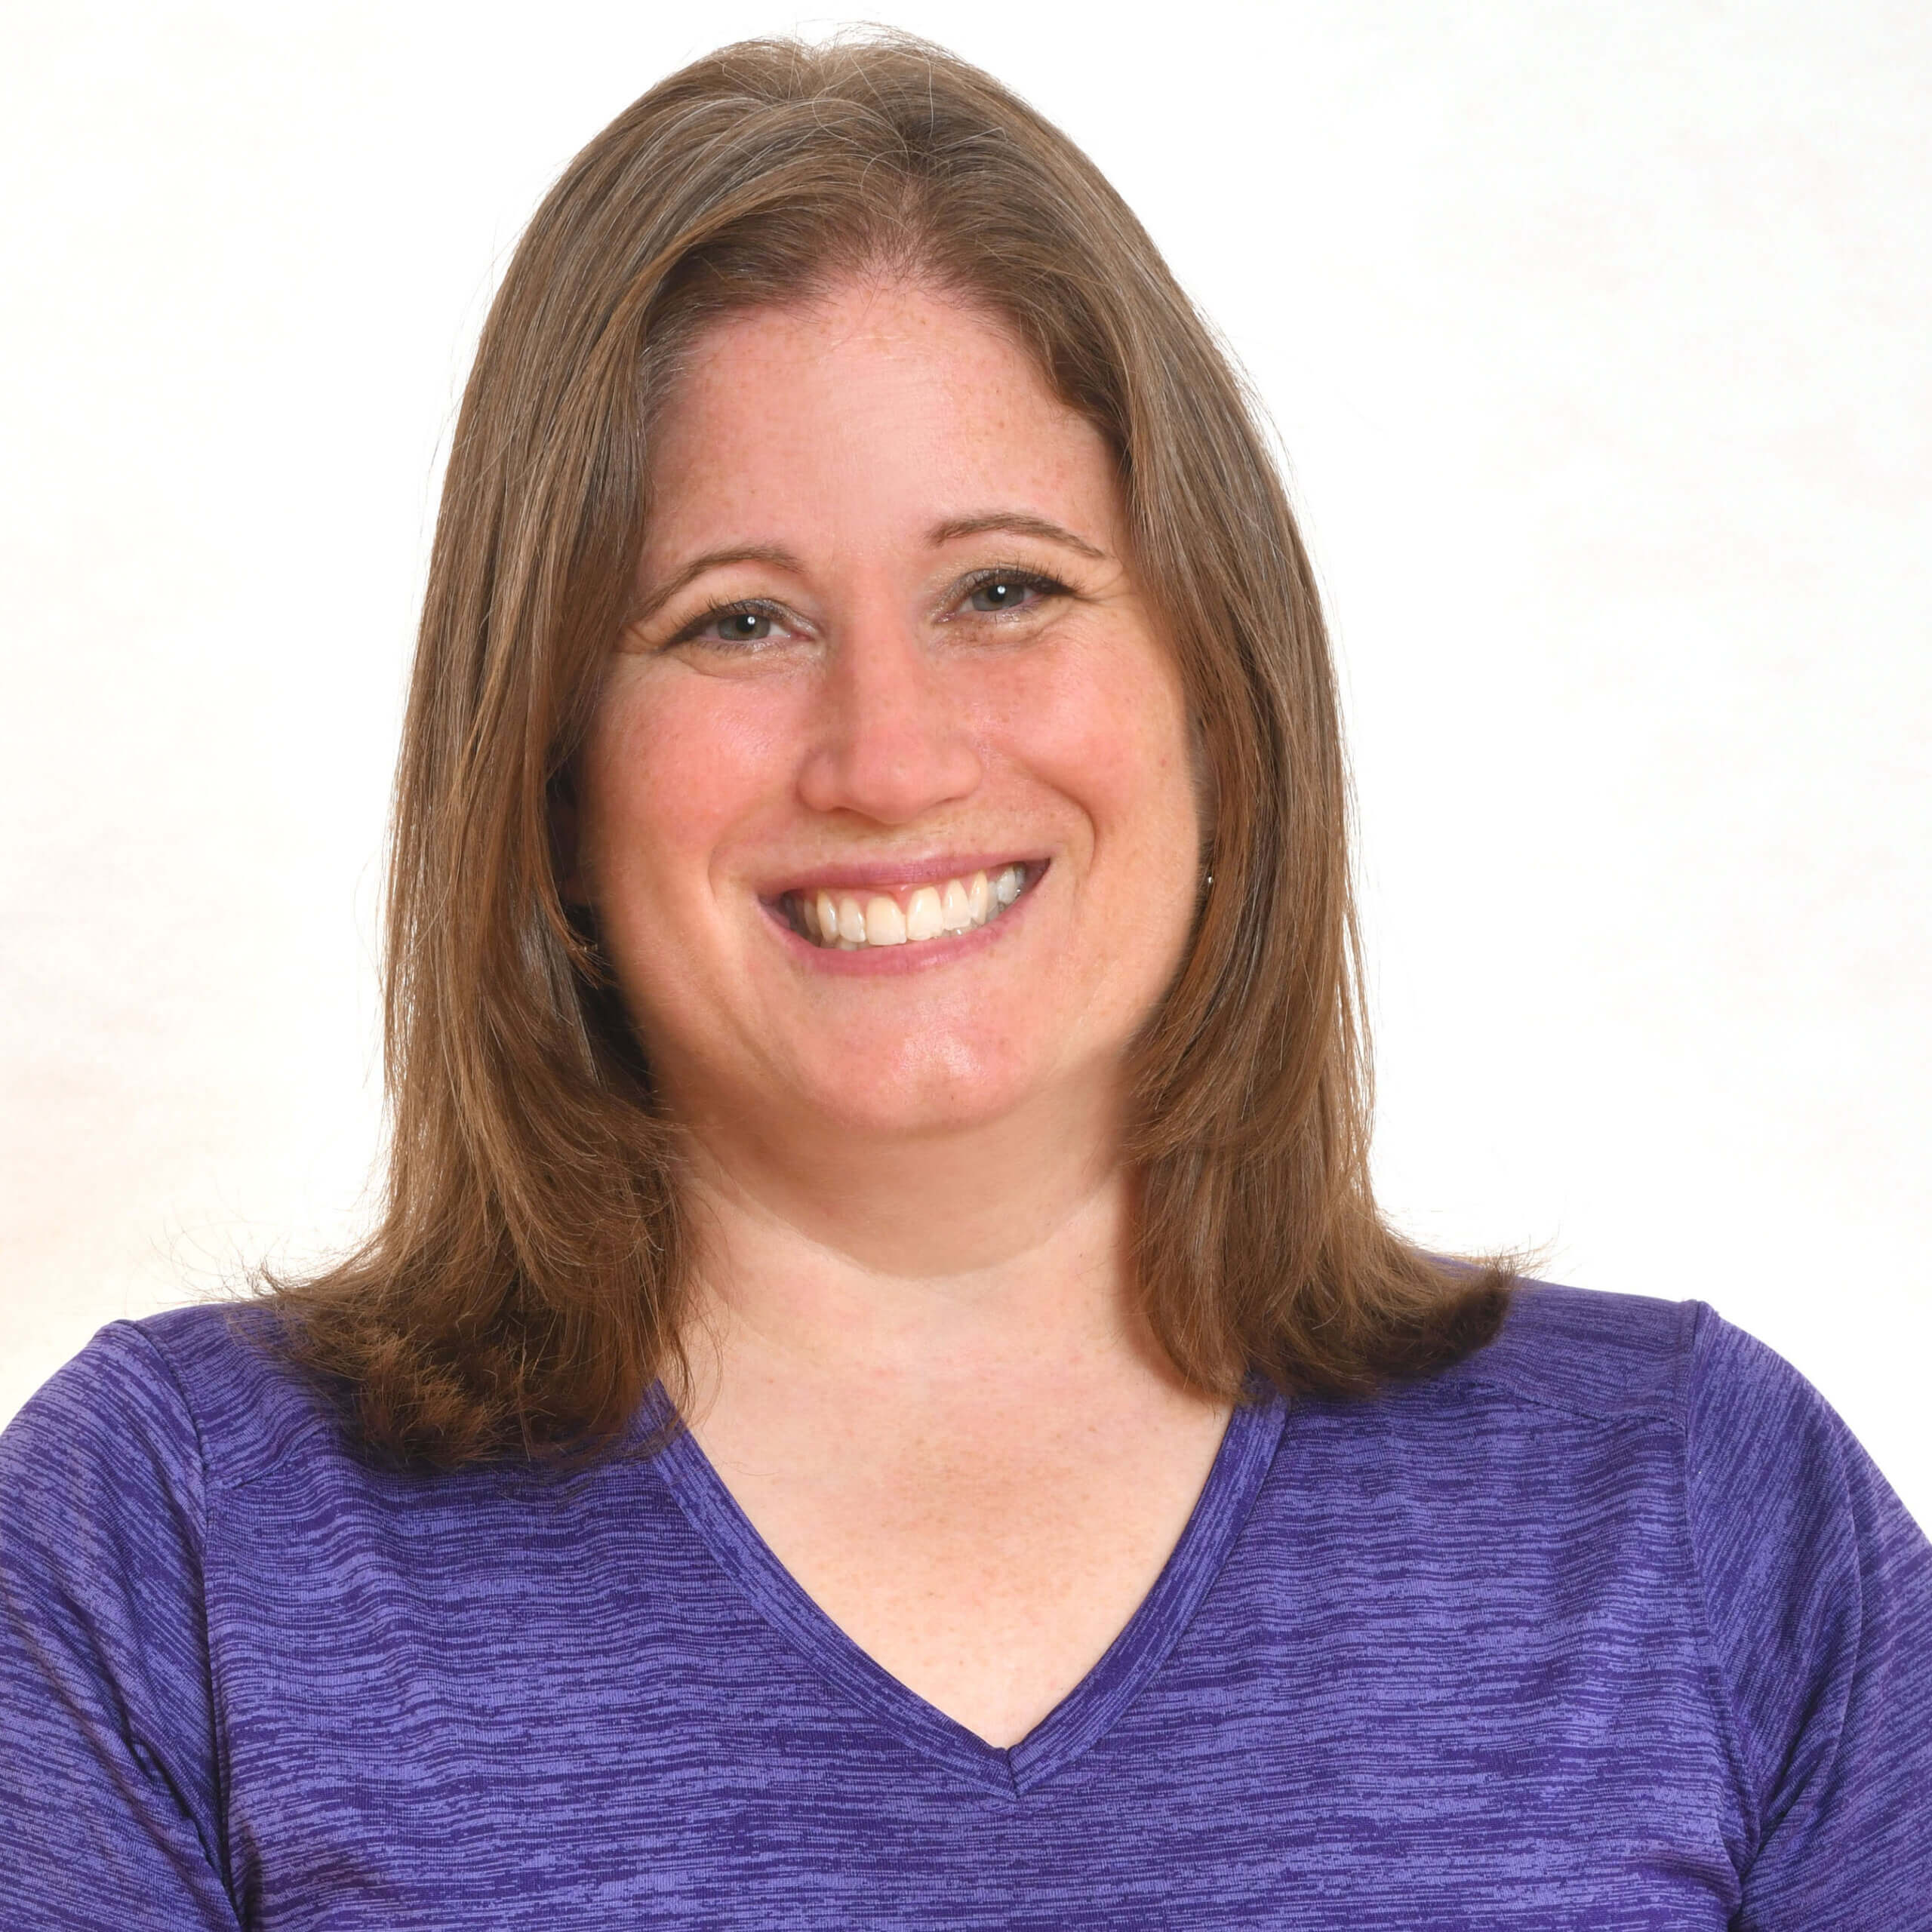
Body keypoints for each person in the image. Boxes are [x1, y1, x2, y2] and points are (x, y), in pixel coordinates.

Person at [2, 32, 1927, 1930]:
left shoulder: (1695, 1510)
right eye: (735, 619)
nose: (889, 757)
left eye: (1003, 588)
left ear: (1215, 689)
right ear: (551, 767)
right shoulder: (168, 1543)